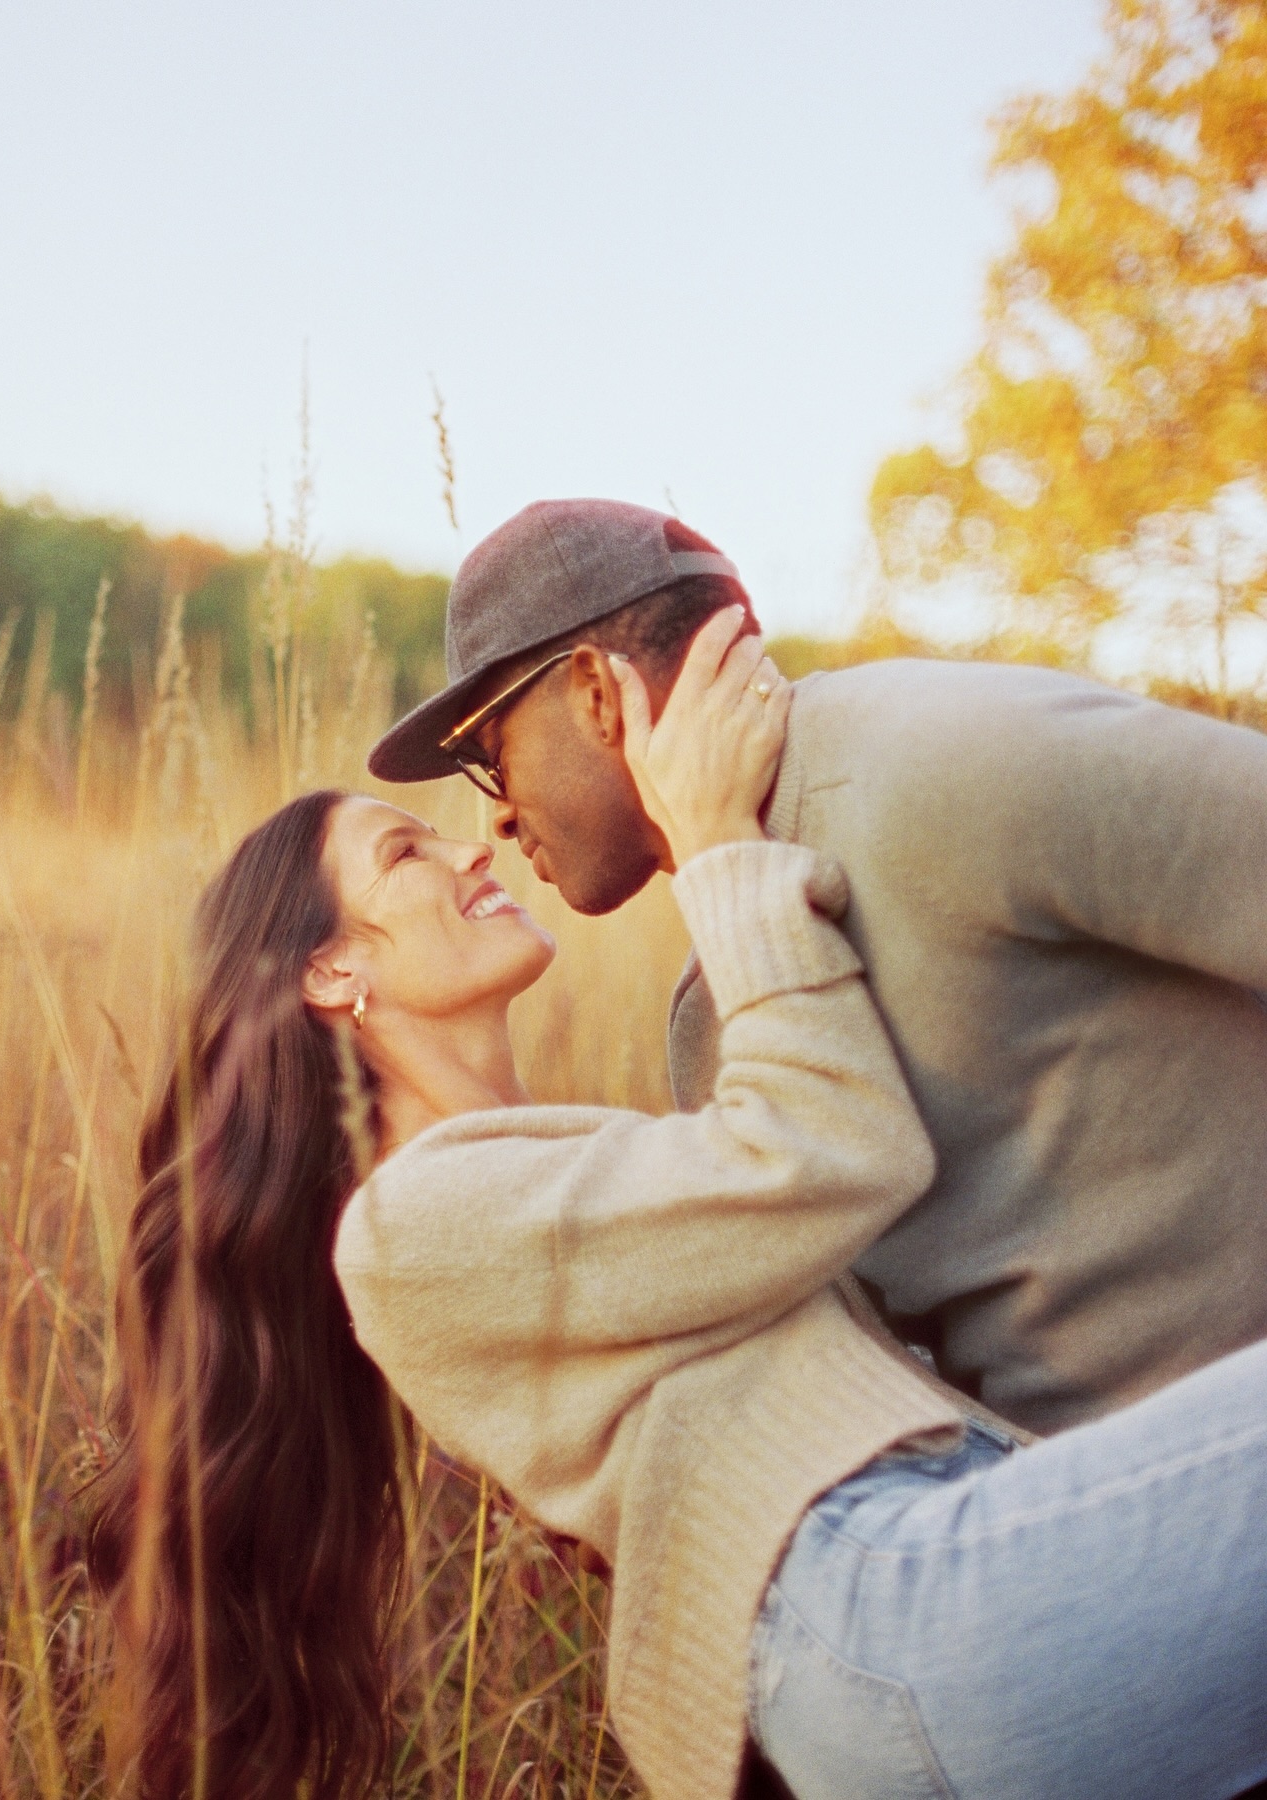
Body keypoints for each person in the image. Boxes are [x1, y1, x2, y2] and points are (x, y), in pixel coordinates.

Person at [88, 612, 1267, 1800]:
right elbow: (825, 1149)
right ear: (332, 970)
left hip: (926, 1601)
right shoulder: (404, 1234)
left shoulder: (540, 1169)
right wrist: (715, 849)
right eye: (406, 856)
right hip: (896, 1610)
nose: (473, 851)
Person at [367, 497, 1267, 1437]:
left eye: (487, 754)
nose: (498, 817)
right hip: (1046, 1532)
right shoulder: (726, 999)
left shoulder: (948, 763)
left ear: (595, 693)